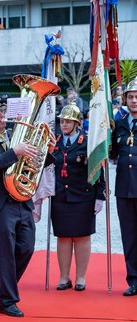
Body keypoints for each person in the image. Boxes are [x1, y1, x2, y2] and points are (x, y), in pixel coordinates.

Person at [0, 96, 53, 317]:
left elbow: (35, 162)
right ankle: (8, 300)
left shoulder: (14, 135)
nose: (3, 116)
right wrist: (14, 152)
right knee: (6, 251)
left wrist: (47, 149)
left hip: (20, 200)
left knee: (26, 247)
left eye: (3, 112)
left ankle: (0, 286)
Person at [51, 103, 105, 291]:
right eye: (62, 121)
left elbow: (98, 170)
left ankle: (81, 277)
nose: (64, 125)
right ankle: (64, 277)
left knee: (82, 237)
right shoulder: (54, 142)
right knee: (63, 237)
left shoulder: (87, 142)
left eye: (68, 121)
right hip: (60, 196)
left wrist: (100, 196)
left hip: (83, 196)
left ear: (77, 123)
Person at [110, 77, 137, 296]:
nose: (134, 100)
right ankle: (134, 279)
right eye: (131, 97)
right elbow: (112, 153)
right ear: (125, 100)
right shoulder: (119, 124)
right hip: (124, 188)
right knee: (129, 236)